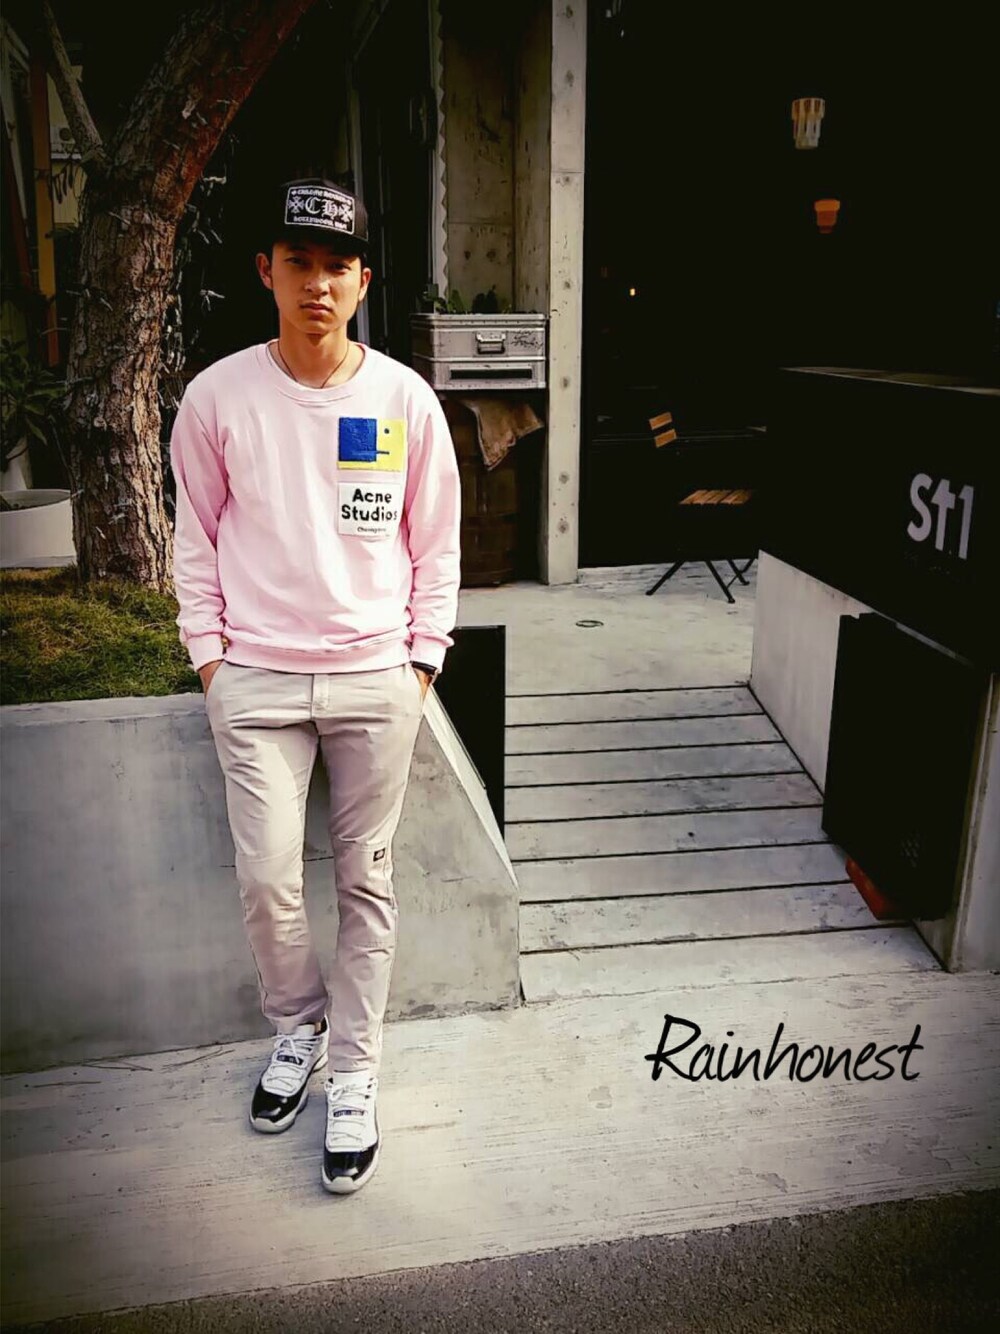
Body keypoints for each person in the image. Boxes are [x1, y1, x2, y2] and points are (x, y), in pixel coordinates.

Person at [169, 177, 462, 1195]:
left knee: (367, 878)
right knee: (267, 879)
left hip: (375, 676)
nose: (318, 284)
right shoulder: (217, 398)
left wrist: (420, 663)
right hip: (255, 679)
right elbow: (195, 539)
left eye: (338, 265)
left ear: (363, 281)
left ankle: (356, 1069)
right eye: (299, 262)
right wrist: (211, 660)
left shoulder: (403, 399)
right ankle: (297, 1027)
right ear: (268, 271)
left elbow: (435, 542)